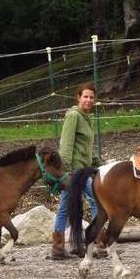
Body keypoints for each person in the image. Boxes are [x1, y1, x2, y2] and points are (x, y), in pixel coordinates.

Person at [49, 83, 101, 260]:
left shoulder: (86, 118)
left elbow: (85, 146)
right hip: (75, 171)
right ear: (78, 97)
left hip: (83, 169)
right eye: (85, 96)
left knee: (64, 207)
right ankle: (97, 243)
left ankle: (58, 248)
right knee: (96, 200)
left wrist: (97, 163)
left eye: (91, 97)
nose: (88, 100)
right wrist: (67, 172)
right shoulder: (73, 116)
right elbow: (66, 145)